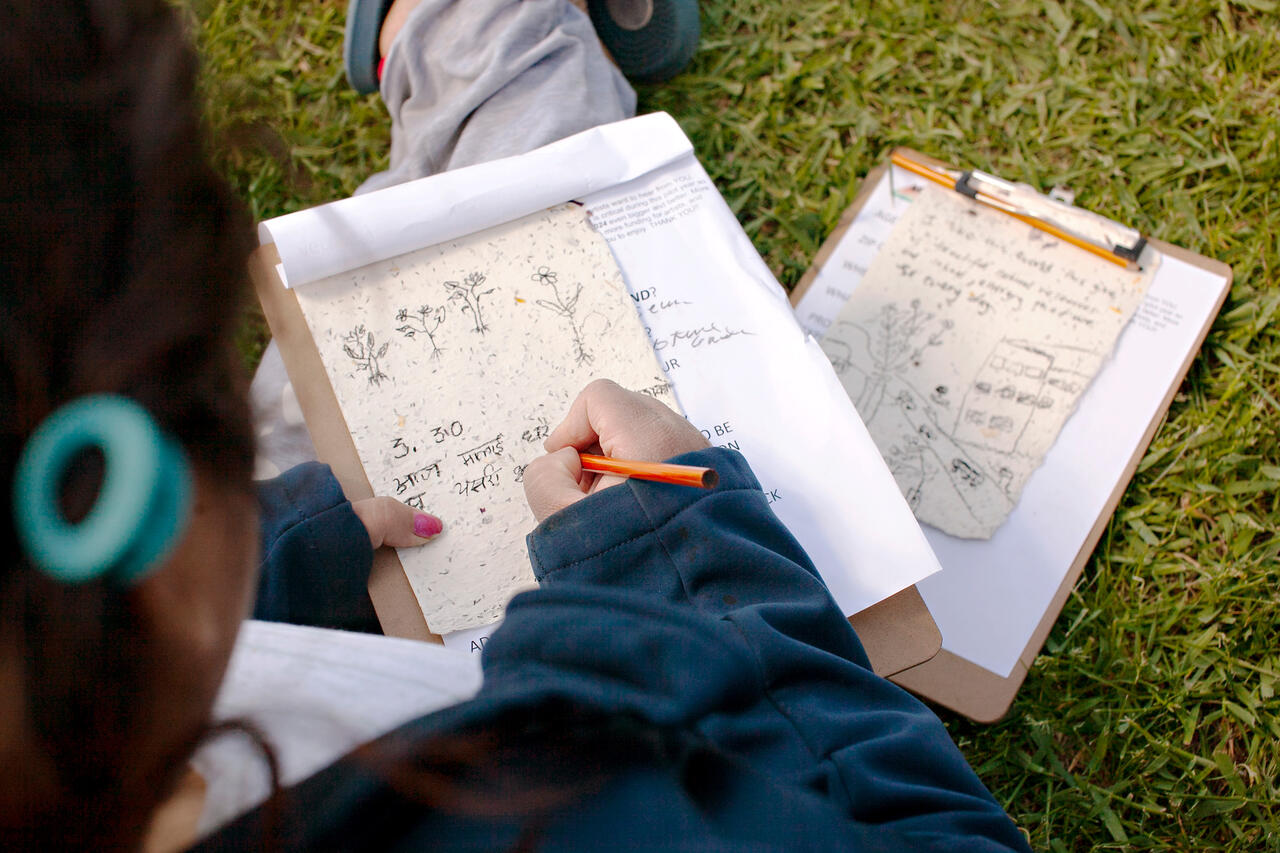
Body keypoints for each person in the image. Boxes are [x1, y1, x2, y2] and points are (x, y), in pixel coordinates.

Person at [1, 0, 1033, 849]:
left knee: (482, 199)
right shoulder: (564, 816)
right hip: (480, 645)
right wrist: (681, 553)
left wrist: (277, 552)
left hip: (271, 601)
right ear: (123, 490)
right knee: (533, 115)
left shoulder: (78, 681)